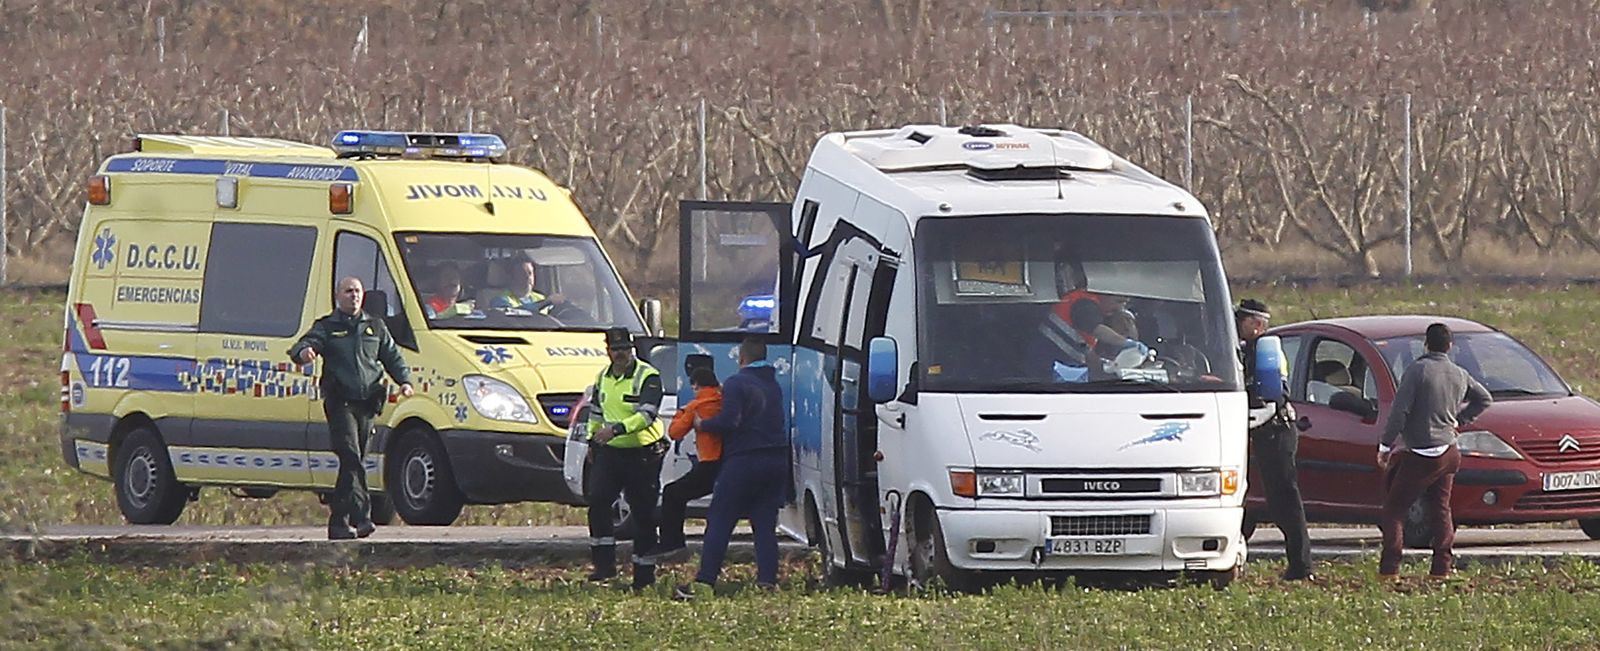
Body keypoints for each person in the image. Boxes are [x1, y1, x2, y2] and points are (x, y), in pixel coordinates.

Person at [289, 277, 414, 540]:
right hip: (340, 403)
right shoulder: (327, 326)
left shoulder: (375, 326)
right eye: (348, 291)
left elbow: (392, 356)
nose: (353, 296)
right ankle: (362, 517)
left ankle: (338, 523)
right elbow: (304, 344)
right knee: (351, 456)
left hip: (367, 404)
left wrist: (404, 381)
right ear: (338, 296)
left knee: (352, 464)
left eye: (357, 291)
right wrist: (304, 353)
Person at [674, 337, 787, 600]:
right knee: (764, 526)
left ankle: (705, 581)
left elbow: (729, 421)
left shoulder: (737, 383)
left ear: (741, 358)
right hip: (776, 461)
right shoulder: (774, 384)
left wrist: (703, 425)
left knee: (720, 520)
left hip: (745, 460)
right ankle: (767, 582)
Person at [1377, 322, 1492, 579]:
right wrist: (1460, 420)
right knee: (1441, 509)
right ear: (1450, 347)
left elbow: (1400, 412)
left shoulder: (1417, 370)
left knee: (1394, 509)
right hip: (1450, 452)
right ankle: (1442, 568)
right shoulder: (1459, 373)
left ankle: (1389, 569)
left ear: (1425, 344)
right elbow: (1484, 398)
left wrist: (1386, 444)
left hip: (1422, 452)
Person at [1236, 298, 1314, 581]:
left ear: (1256, 325)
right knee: (1253, 495)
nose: (1236, 325)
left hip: (1275, 431)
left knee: (1284, 499)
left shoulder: (1263, 350)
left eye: (1241, 321)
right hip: (1270, 430)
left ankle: (1301, 566)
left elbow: (1270, 399)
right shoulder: (1259, 349)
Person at [585, 327, 666, 590]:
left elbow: (647, 415)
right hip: (609, 451)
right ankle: (604, 567)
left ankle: (644, 576)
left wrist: (616, 430)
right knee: (597, 501)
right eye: (616, 349)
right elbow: (596, 411)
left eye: (625, 349)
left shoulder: (648, 376)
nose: (621, 354)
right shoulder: (603, 377)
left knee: (643, 514)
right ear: (608, 351)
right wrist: (592, 439)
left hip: (643, 455)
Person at [647, 366, 724, 563]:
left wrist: (682, 412)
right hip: (727, 463)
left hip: (709, 463)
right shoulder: (723, 400)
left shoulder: (696, 405)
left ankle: (671, 544)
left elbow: (674, 432)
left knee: (673, 494)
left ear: (696, 385)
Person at [490, 259, 566, 314]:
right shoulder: (500, 300)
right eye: (522, 273)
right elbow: (515, 315)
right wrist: (545, 303)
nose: (528, 277)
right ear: (512, 277)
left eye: (530, 273)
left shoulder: (541, 298)